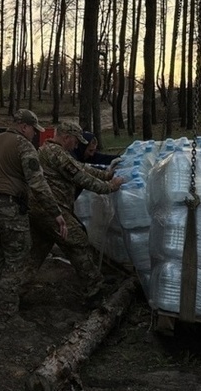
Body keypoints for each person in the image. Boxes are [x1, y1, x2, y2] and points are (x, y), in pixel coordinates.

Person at [0, 109, 68, 331]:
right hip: (10, 209)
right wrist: (56, 214)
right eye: (34, 130)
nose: (35, 134)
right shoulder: (24, 146)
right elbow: (38, 184)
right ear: (24, 126)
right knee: (15, 263)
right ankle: (6, 318)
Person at [25, 121, 126, 298]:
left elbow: (81, 167)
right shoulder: (57, 154)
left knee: (36, 253)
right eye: (75, 141)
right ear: (66, 138)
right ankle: (94, 288)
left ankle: (11, 291)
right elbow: (81, 177)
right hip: (53, 211)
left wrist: (105, 174)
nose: (77, 145)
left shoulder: (51, 150)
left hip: (39, 210)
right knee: (78, 241)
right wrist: (110, 186)